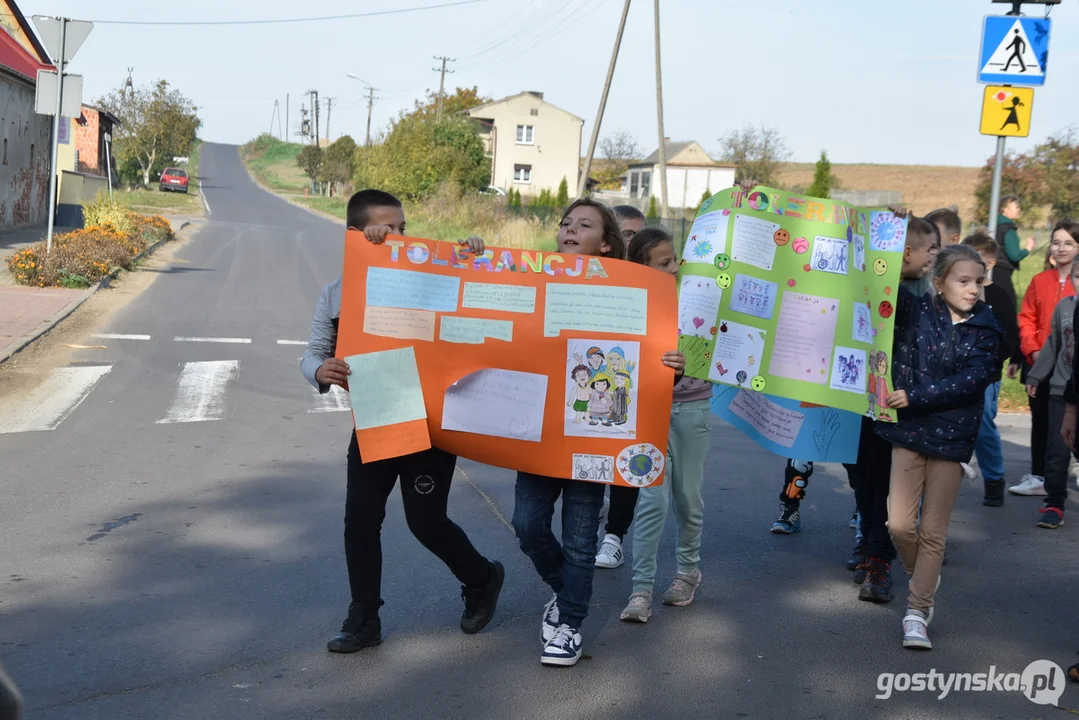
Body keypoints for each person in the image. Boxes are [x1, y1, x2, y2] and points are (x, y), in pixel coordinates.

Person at [303, 189, 504, 654]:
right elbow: (314, 351)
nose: (397, 237)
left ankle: (482, 579)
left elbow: (480, 300)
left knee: (426, 523)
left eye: (403, 228)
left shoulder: (431, 275)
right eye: (385, 229)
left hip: (432, 417)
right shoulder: (336, 294)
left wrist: (474, 256)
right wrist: (317, 369)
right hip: (379, 411)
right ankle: (364, 618)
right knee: (360, 520)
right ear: (356, 235)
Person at [513, 199, 684, 667]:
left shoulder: (631, 292)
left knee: (581, 537)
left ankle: (569, 624)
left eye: (583, 225)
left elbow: (650, 355)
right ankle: (564, 587)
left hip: (592, 441)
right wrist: (471, 255)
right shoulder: (531, 277)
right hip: (537, 434)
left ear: (606, 243)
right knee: (526, 526)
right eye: (565, 223)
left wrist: (669, 363)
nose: (569, 229)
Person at [878, 244, 1001, 650]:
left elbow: (972, 381)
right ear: (938, 282)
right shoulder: (915, 313)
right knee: (898, 524)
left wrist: (914, 395)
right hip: (909, 433)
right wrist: (893, 240)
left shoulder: (987, 328)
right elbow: (881, 289)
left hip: (951, 438)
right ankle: (923, 578)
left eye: (978, 282)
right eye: (962, 281)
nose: (972, 290)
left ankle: (917, 610)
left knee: (932, 530)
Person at [618, 227, 713, 623]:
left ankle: (688, 571)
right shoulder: (629, 304)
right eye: (665, 262)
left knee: (687, 498)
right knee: (651, 502)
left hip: (691, 410)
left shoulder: (699, 297)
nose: (676, 267)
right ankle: (641, 590)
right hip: (647, 412)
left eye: (675, 260)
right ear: (642, 268)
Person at [848, 214, 938, 602]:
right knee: (865, 482)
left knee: (885, 484)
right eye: (931, 248)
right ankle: (869, 547)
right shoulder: (878, 290)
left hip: (898, 408)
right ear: (906, 252)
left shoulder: (923, 297)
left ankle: (879, 561)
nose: (936, 256)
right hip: (858, 403)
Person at [595, 204, 650, 568]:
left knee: (627, 463)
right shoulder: (591, 276)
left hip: (635, 389)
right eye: (627, 235)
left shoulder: (657, 284)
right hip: (596, 389)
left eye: (639, 236)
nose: (633, 243)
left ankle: (614, 538)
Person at [1011, 222, 1078, 497]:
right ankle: (1038, 475)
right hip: (1039, 360)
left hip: (1071, 368)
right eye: (1056, 242)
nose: (1060, 248)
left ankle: (1065, 472)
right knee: (1041, 421)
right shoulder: (1040, 280)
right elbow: (1026, 318)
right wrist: (1032, 350)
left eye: (1068, 243)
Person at [962, 233, 1022, 506]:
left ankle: (994, 478)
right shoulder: (957, 291)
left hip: (988, 375)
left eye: (977, 258)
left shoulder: (998, 294)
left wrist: (991, 360)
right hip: (959, 372)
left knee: (983, 426)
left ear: (990, 262)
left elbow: (1010, 334)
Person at [993, 195, 1037, 311]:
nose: (1019, 209)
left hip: (990, 270)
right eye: (1016, 206)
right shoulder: (1008, 229)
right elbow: (1014, 256)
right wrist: (1028, 248)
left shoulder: (993, 225)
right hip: (1002, 272)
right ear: (1004, 210)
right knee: (1009, 305)